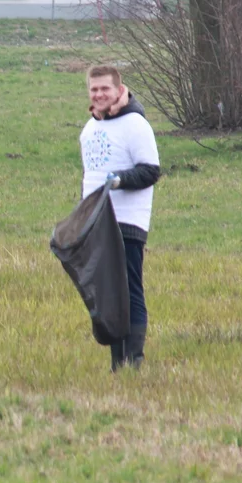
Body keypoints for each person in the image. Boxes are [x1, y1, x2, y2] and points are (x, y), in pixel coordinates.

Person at [79, 65, 160, 371]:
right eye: (93, 89)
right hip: (97, 224)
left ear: (118, 89)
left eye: (104, 89)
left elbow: (151, 170)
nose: (99, 94)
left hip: (127, 222)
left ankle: (134, 359)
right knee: (108, 293)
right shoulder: (90, 129)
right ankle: (117, 361)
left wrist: (119, 181)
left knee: (129, 289)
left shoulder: (135, 125)